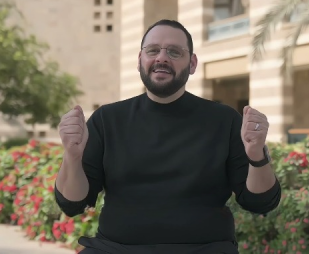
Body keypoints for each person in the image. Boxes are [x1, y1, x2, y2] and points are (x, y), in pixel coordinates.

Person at [54, 19, 281, 254]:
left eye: (174, 52)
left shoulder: (224, 120)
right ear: (140, 60)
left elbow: (260, 202)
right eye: (152, 50)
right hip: (116, 249)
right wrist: (72, 155)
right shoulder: (107, 119)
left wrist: (257, 156)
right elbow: (72, 203)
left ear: (192, 64)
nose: (161, 58)